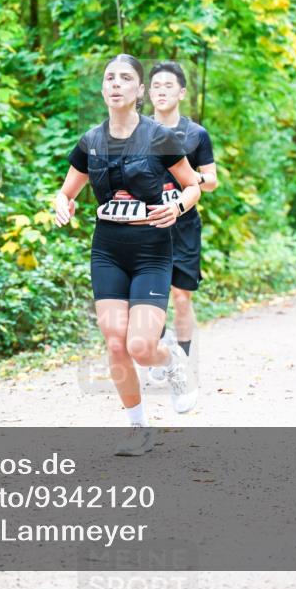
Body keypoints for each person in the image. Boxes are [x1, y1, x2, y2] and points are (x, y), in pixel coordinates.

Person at [55, 54, 201, 456]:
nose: (116, 84)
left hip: (152, 250)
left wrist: (179, 207)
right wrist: (62, 204)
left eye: (125, 79)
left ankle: (170, 360)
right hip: (108, 251)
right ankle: (138, 428)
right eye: (109, 78)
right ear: (103, 88)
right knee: (115, 343)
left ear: (139, 91)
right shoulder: (90, 141)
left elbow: (193, 186)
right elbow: (67, 191)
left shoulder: (159, 137)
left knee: (140, 346)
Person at [147, 61, 218, 364]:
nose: (161, 91)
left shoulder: (196, 134)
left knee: (181, 296)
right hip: (148, 224)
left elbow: (212, 181)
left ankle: (184, 360)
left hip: (185, 224)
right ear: (148, 92)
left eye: (168, 86)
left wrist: (190, 178)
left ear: (182, 92)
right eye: (156, 86)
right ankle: (163, 354)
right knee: (153, 297)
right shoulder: (138, 130)